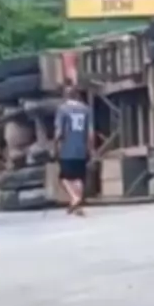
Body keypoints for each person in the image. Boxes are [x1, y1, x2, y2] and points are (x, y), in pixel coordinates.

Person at [55, 83, 94, 216]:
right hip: (81, 147)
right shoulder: (86, 109)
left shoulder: (63, 109)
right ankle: (76, 205)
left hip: (67, 147)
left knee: (64, 177)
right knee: (79, 177)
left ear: (65, 96)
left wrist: (56, 144)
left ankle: (75, 197)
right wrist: (90, 147)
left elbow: (59, 131)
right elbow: (90, 132)